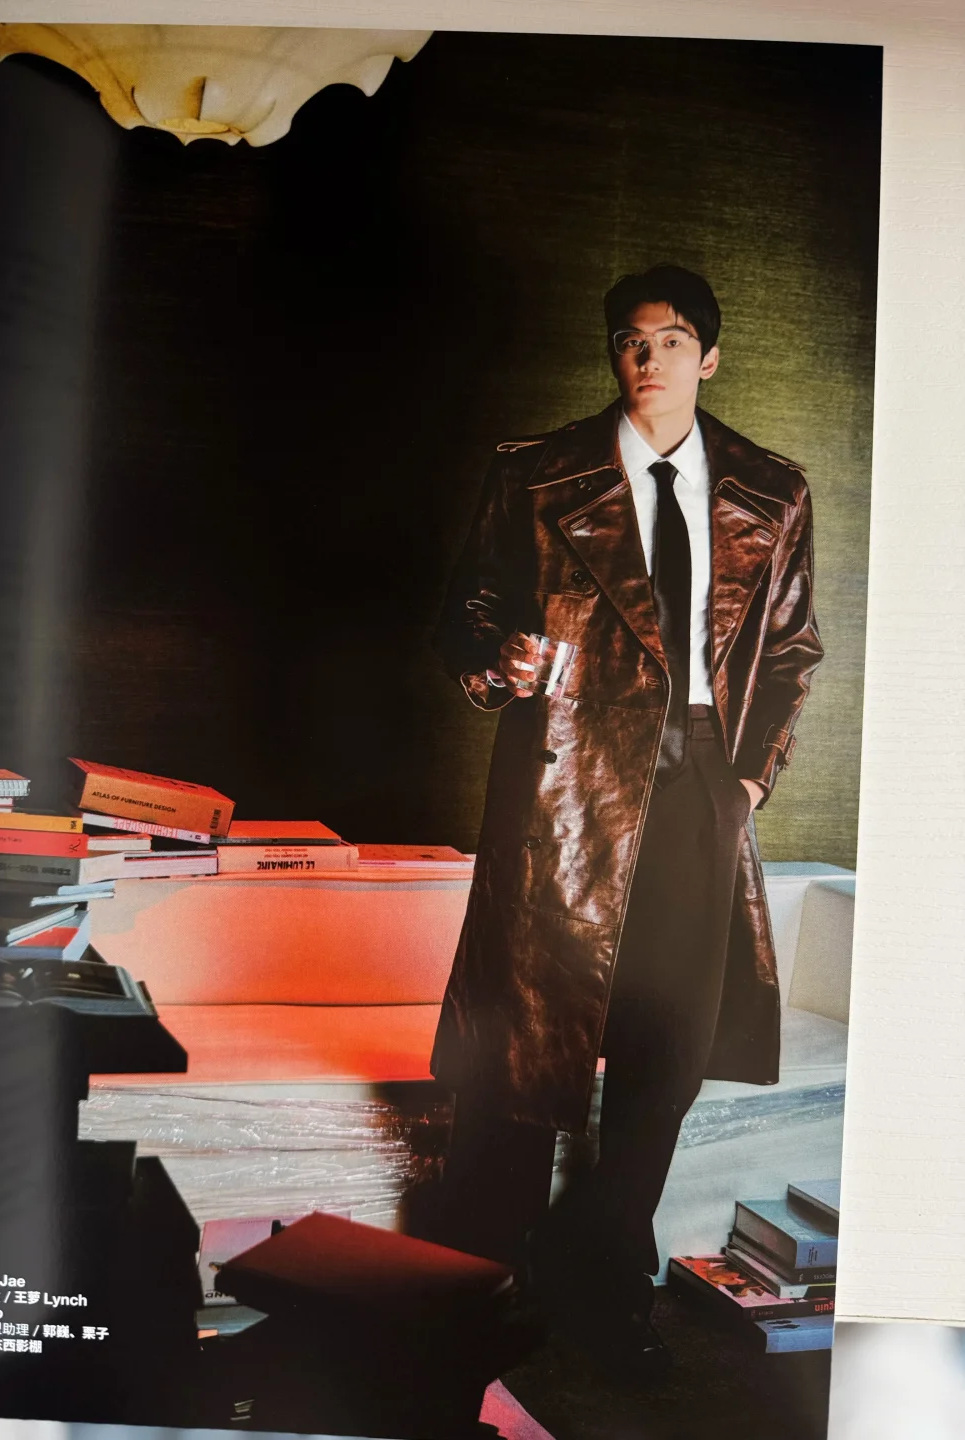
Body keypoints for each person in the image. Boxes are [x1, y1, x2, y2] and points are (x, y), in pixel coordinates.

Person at [426, 264, 824, 1372]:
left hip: (702, 777)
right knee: (530, 1035)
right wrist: (499, 660)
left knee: (671, 1047)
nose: (647, 359)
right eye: (630, 341)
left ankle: (597, 1258)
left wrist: (747, 783)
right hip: (567, 781)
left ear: (710, 356)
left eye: (671, 340)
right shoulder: (535, 472)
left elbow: (791, 650)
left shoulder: (772, 491)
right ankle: (500, 1281)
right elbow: (466, 616)